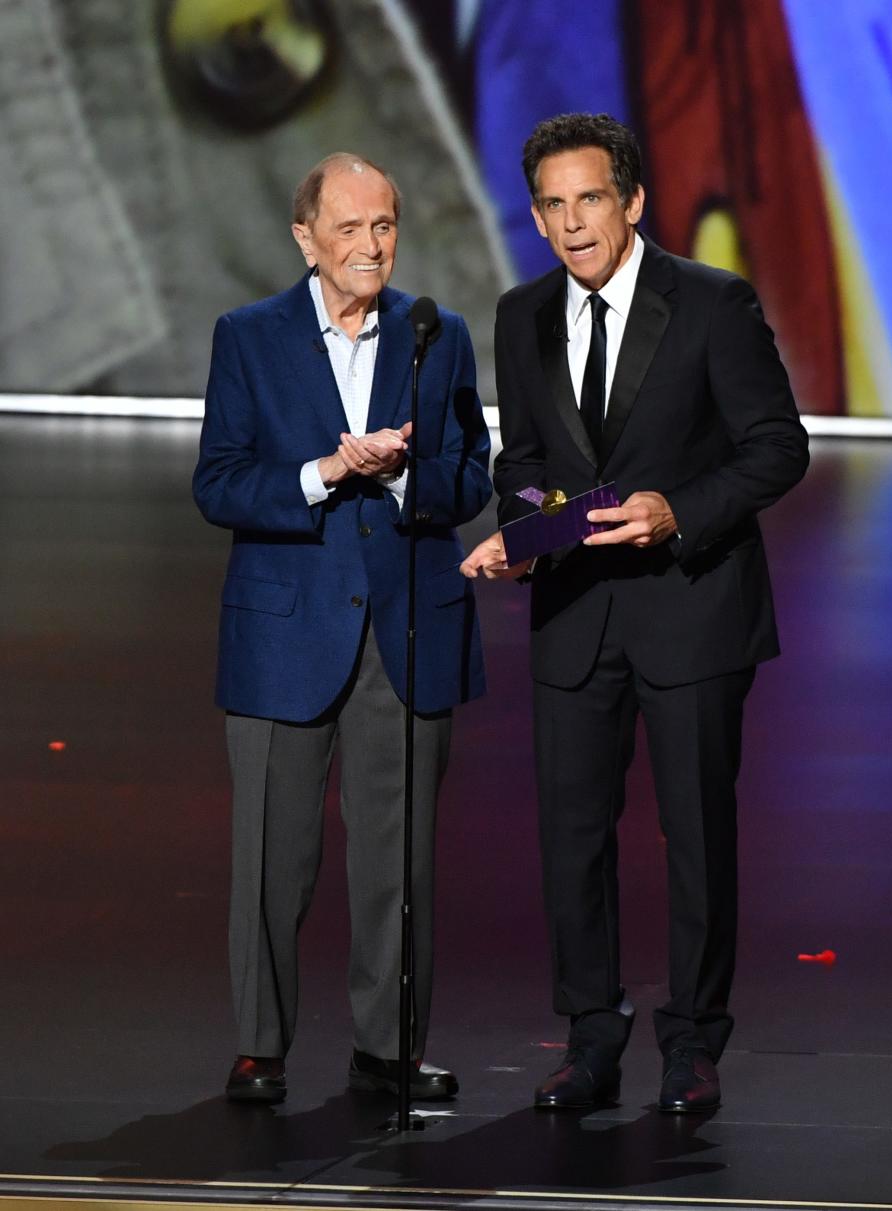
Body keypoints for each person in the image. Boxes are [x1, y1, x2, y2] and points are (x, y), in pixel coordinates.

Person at [462, 113, 808, 1112]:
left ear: (634, 201)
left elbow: (776, 446)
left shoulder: (710, 303)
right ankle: (589, 1033)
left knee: (697, 834)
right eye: (554, 206)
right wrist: (526, 536)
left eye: (591, 200)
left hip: (691, 613)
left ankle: (694, 1041)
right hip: (575, 619)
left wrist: (675, 512)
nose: (574, 224)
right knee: (573, 835)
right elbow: (524, 463)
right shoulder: (522, 314)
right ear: (536, 216)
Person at [194, 152, 491, 1104]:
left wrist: (401, 473)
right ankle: (261, 1044)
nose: (372, 246)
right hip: (284, 632)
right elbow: (220, 480)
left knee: (398, 863)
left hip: (404, 632)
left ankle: (388, 1048)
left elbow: (472, 474)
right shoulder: (248, 336)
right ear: (305, 237)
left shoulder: (434, 335)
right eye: (352, 228)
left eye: (385, 227)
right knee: (274, 860)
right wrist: (324, 472)